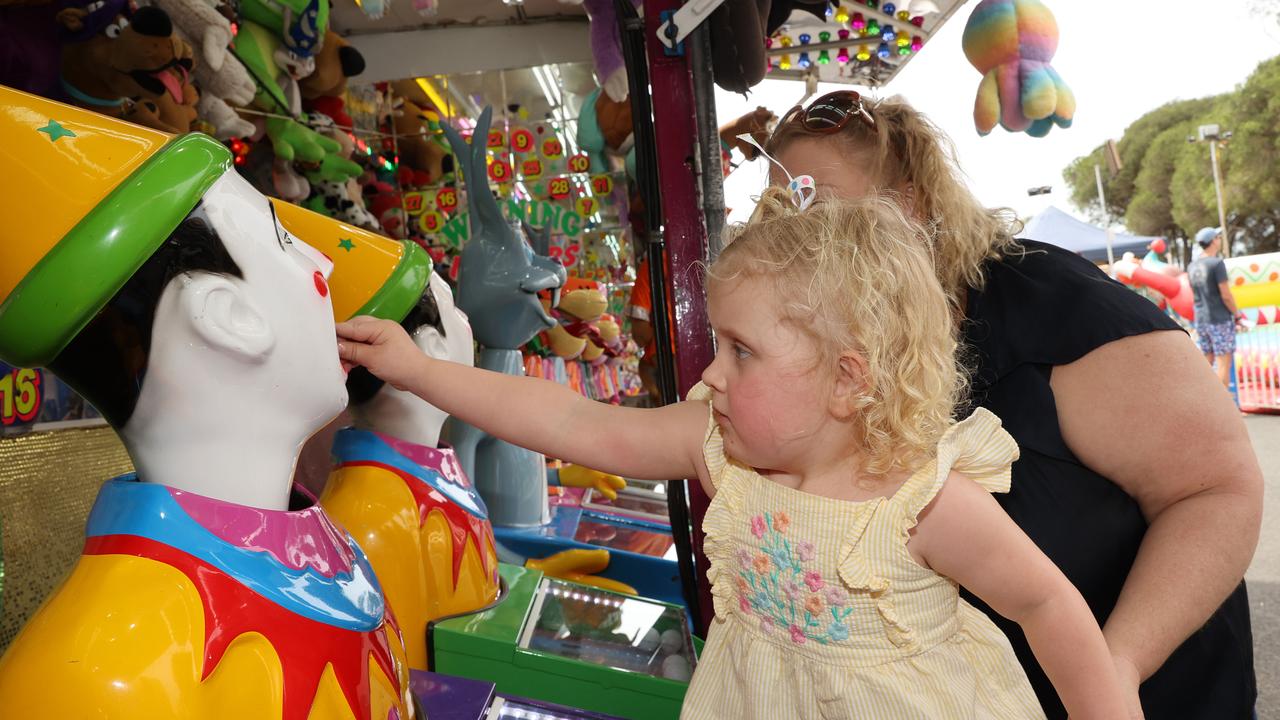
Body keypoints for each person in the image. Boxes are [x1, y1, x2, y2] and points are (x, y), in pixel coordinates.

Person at [337, 191, 1129, 719]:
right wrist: (423, 371)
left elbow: (1047, 605)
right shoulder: (714, 446)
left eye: (741, 351)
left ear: (847, 381)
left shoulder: (920, 501)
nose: (710, 373)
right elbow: (572, 422)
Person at [764, 90, 1261, 719]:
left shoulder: (1055, 307)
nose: (794, 235)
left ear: (909, 207)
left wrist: (1114, 669)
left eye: (817, 204)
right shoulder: (835, 347)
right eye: (779, 209)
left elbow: (1216, 490)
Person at [1188, 226, 1240, 388]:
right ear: (1213, 242)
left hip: (1201, 319)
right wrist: (1237, 314)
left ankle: (1202, 398)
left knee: (1206, 362)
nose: (1219, 240)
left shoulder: (1192, 266)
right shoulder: (1216, 264)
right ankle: (1224, 407)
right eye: (1218, 237)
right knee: (1223, 363)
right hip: (1219, 319)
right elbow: (1226, 295)